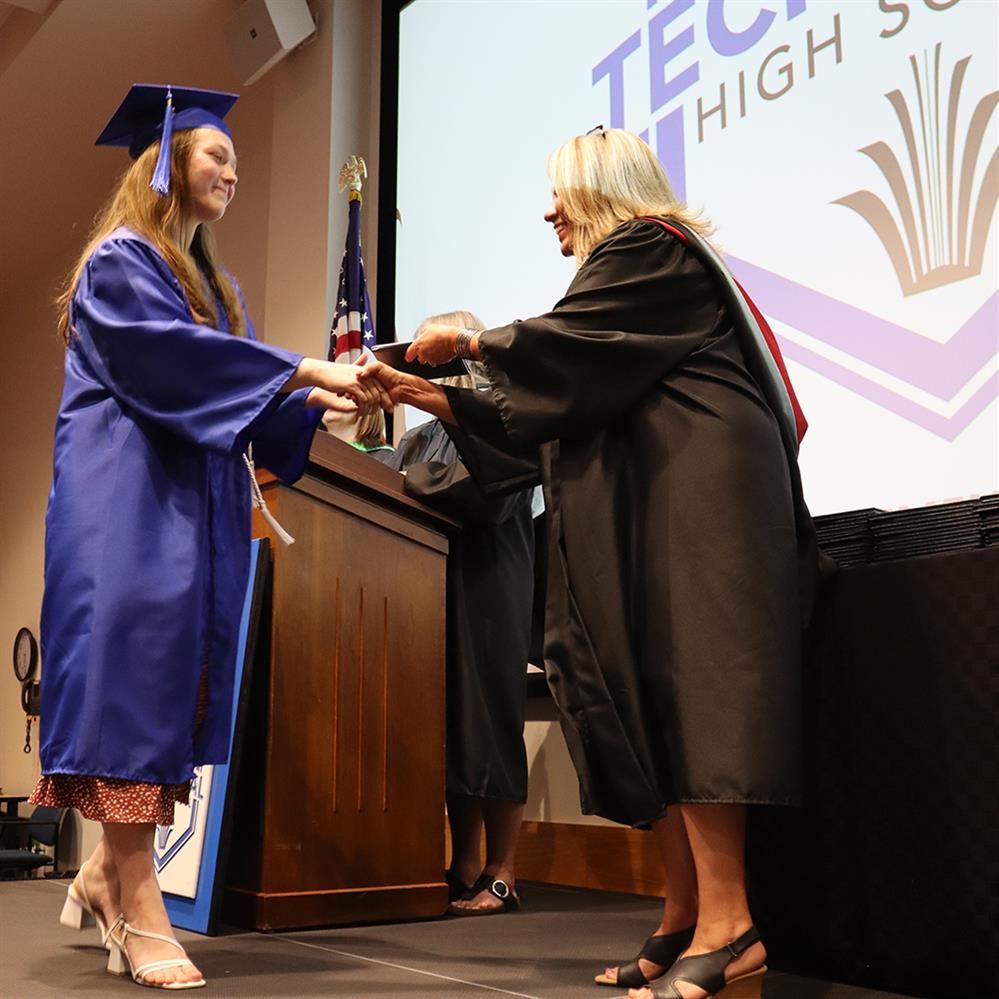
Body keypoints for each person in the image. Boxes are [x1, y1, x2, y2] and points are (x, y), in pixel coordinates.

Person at [363, 127, 817, 999]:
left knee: (697, 701)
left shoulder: (656, 250)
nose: (548, 212)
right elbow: (558, 406)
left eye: (561, 194)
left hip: (702, 511)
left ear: (606, 190)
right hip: (657, 509)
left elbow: (559, 352)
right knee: (650, 698)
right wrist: (428, 396)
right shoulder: (636, 284)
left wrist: (462, 348)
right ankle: (682, 917)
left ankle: (734, 925)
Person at [29, 84, 388, 991]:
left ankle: (109, 873)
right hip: (125, 509)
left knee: (171, 682)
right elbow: (171, 365)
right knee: (132, 679)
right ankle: (135, 894)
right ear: (163, 166)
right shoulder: (119, 262)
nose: (231, 167)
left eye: (233, 156)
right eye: (213, 154)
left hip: (188, 512)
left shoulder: (215, 290)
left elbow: (246, 398)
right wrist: (303, 365)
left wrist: (325, 402)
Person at [387, 311, 535, 915]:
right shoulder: (417, 437)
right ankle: (465, 861)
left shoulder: (503, 422)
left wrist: (410, 480)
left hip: (490, 583)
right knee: (452, 728)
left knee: (491, 722)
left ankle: (504, 871)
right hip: (431, 583)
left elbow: (478, 492)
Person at [321, 383, 395, 463]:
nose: (331, 398)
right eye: (328, 391)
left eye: (342, 392)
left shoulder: (388, 459)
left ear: (368, 406)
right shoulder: (313, 455)